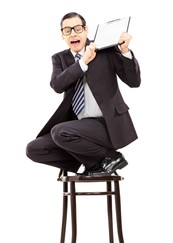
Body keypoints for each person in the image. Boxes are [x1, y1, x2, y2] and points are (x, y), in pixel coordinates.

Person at [26, 12, 141, 176]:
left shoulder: (104, 49)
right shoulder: (60, 58)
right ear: (62, 35)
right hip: (77, 129)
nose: (73, 33)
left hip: (107, 125)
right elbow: (57, 85)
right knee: (34, 148)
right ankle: (96, 162)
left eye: (77, 28)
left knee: (60, 132)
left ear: (86, 30)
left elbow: (134, 82)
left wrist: (124, 51)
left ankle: (111, 156)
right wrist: (82, 62)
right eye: (67, 30)